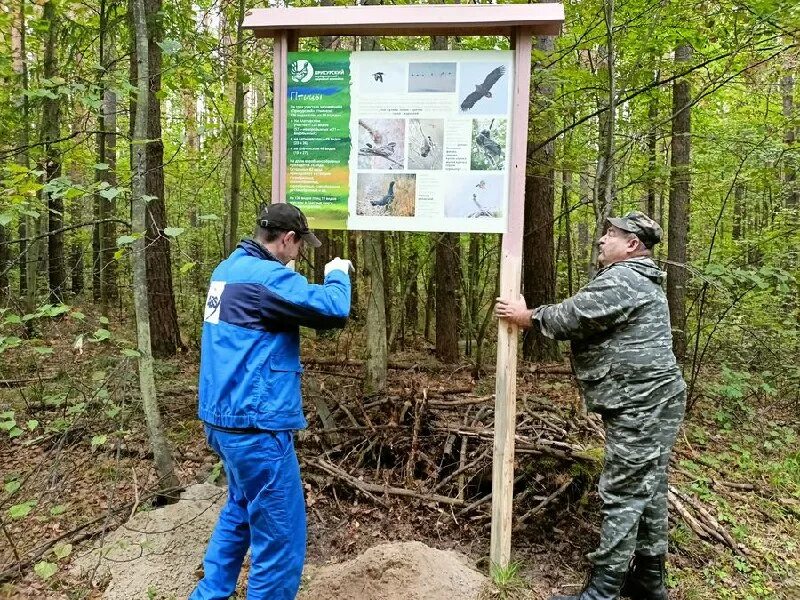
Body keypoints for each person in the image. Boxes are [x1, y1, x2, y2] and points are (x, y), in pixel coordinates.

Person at [495, 211, 685, 600]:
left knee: (624, 492)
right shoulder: (640, 278)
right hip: (656, 398)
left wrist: (525, 315)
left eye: (611, 234)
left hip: (640, 403)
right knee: (648, 487)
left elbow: (575, 316)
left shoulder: (625, 278)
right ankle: (649, 582)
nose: (601, 239)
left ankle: (602, 593)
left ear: (632, 244)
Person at [191, 202, 352, 600]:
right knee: (281, 537)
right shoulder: (266, 280)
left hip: (223, 420)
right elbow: (334, 310)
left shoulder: (226, 270)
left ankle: (209, 594)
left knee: (240, 511)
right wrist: (336, 275)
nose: (298, 255)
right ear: (287, 239)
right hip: (256, 426)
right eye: (299, 247)